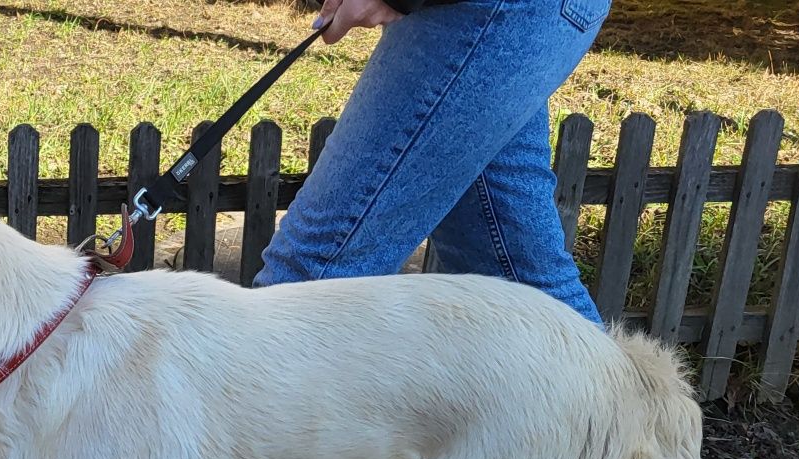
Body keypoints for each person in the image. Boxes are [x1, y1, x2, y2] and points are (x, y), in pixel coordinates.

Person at [256, 0, 610, 326]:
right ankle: (633, 394)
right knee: (525, 295)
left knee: (304, 289)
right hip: (515, 14)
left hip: (491, 11)